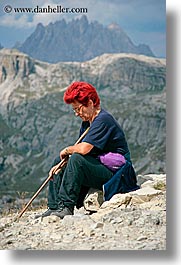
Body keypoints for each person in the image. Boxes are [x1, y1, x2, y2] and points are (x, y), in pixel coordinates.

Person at [37, 81, 139, 219]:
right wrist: (61, 162)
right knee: (60, 161)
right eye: (74, 110)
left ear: (90, 103)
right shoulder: (87, 123)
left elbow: (84, 149)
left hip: (117, 174)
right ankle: (54, 206)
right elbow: (81, 150)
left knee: (76, 159)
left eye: (78, 108)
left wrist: (66, 150)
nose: (77, 113)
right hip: (101, 166)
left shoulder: (103, 120)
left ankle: (66, 206)